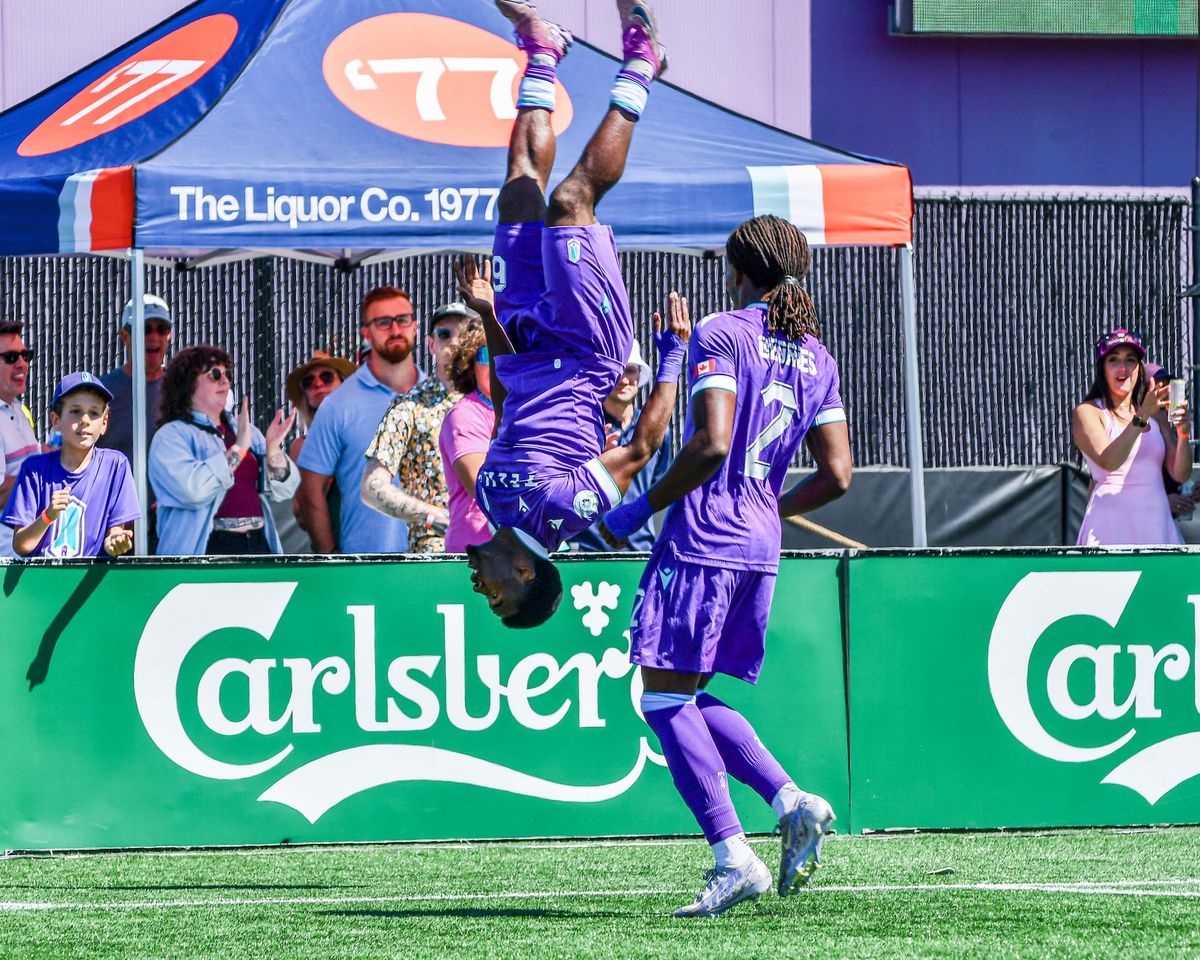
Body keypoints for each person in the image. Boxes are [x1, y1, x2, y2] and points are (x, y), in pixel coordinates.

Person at [601, 214, 853, 917]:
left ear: (737, 269)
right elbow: (837, 476)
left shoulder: (724, 331)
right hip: (759, 548)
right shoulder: (817, 355)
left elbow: (711, 444)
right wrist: (767, 499)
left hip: (704, 538)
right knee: (684, 695)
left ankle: (731, 855)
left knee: (661, 697)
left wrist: (631, 511)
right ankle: (791, 800)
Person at [458, 0, 684, 627]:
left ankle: (543, 50)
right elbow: (643, 446)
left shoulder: (494, 502)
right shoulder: (567, 512)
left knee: (518, 194)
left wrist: (487, 317)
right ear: (526, 572)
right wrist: (673, 358)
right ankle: (642, 62)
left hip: (526, 339)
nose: (483, 589)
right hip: (587, 352)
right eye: (499, 595)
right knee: (568, 202)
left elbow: (506, 400)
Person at [296, 287, 425, 554]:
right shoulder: (338, 404)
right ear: (366, 332)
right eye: (383, 322)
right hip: (366, 565)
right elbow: (310, 491)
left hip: (441, 560)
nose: (394, 329)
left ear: (415, 326)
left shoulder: (443, 396)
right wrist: (331, 560)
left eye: (402, 319)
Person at [148, 346, 298, 555]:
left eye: (227, 374)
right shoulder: (171, 436)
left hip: (257, 544)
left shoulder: (245, 430)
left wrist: (273, 450)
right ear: (188, 383)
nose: (225, 381)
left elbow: (284, 490)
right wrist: (239, 448)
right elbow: (192, 490)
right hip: (207, 549)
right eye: (215, 374)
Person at [361, 302, 476, 552]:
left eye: (465, 334)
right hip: (436, 550)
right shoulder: (410, 405)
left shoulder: (491, 400)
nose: (455, 342)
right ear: (431, 344)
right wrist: (433, 516)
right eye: (444, 334)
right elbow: (372, 486)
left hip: (494, 546)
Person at [1072, 329, 1191, 546]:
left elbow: (1180, 474)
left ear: (1139, 369)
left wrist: (1183, 433)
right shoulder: (1088, 412)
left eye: (1131, 360)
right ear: (1102, 369)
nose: (1123, 368)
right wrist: (1143, 414)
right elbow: (1109, 462)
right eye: (1113, 360)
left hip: (1156, 524)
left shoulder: (1156, 417)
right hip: (1108, 528)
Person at [3, 373, 140, 558]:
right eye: (75, 411)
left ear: (104, 422)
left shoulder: (116, 465)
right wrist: (47, 516)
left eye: (94, 413)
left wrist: (114, 542)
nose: (85, 420)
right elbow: (21, 545)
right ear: (55, 420)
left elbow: (115, 533)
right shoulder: (34, 469)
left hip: (92, 583)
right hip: (41, 582)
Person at [567, 339, 672, 552]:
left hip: (641, 554)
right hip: (585, 555)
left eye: (631, 370)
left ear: (639, 376)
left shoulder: (660, 431)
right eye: (618, 371)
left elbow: (661, 495)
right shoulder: (581, 428)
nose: (624, 380)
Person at [284, 351, 356, 548]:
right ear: (306, 396)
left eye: (326, 377)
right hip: (331, 550)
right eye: (308, 382)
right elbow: (301, 514)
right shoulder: (302, 446)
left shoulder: (365, 434)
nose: (318, 384)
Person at [439, 322, 495, 553]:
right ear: (470, 365)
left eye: (507, 352)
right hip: (475, 555)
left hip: (519, 555)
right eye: (487, 354)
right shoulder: (464, 414)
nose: (497, 362)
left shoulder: (527, 410)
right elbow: (482, 487)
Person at [99, 294, 174, 461]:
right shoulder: (102, 392)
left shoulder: (183, 390)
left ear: (169, 335)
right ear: (125, 336)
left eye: (162, 329)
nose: (154, 337)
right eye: (144, 329)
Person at [0, 320, 40, 558]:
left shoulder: (16, 408)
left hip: (24, 545)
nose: (23, 363)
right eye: (11, 357)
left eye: (26, 355)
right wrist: (41, 470)